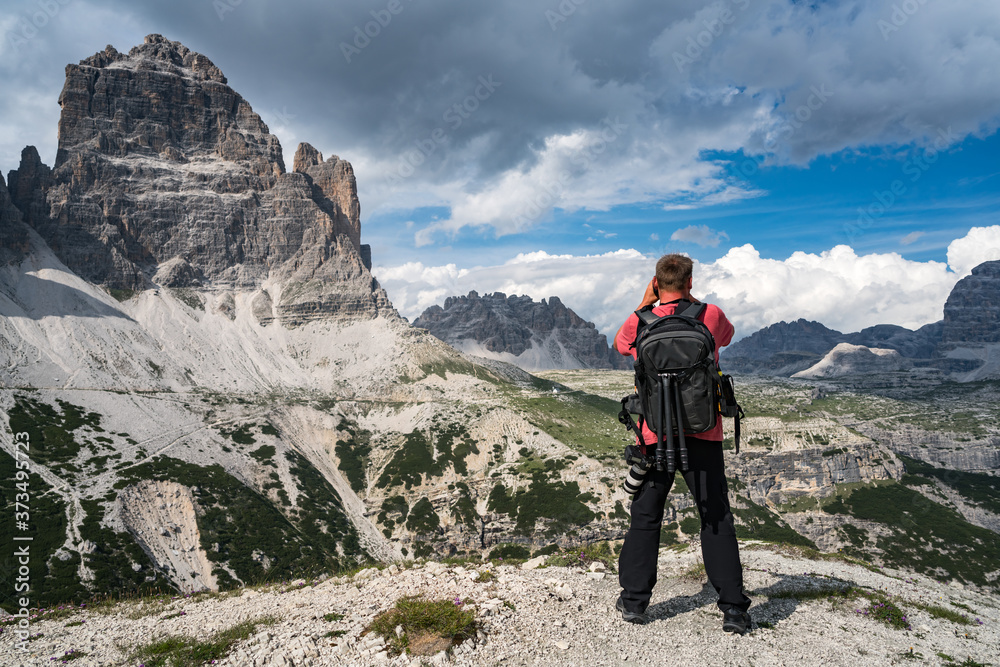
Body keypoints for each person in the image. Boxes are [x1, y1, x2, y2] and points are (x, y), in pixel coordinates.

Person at [613, 253, 752, 634]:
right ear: (690, 281)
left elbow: (621, 345)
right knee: (715, 517)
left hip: (654, 436)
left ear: (656, 283)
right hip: (703, 434)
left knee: (646, 518)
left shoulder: (639, 322)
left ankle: (635, 602)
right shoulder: (711, 315)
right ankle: (734, 609)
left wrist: (646, 304)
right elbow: (727, 335)